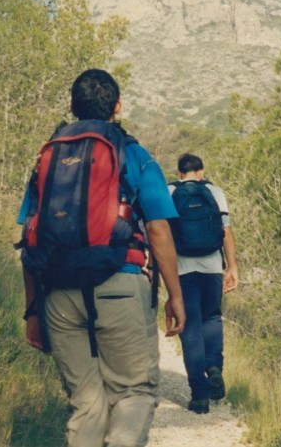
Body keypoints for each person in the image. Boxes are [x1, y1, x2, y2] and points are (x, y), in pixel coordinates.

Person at [21, 69, 185, 447]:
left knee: (87, 404)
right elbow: (159, 229)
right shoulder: (133, 154)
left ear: (73, 107)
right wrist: (175, 295)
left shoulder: (48, 157)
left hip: (59, 294)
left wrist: (33, 311)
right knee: (133, 393)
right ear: (117, 106)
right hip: (119, 282)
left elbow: (29, 238)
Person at [168, 153, 239, 414]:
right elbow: (226, 232)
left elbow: (161, 233)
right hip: (211, 267)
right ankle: (214, 366)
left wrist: (160, 273)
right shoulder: (214, 191)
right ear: (202, 171)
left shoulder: (169, 191)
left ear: (179, 172)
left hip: (182, 269)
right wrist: (232, 267)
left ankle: (199, 396)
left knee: (190, 327)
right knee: (212, 318)